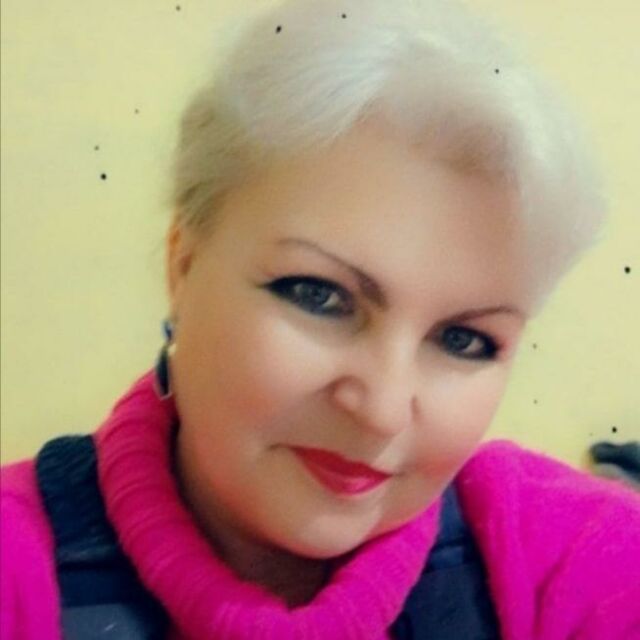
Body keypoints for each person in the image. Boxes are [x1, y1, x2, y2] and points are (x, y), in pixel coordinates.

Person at [2, 0, 639, 638]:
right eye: (320, 296)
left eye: (463, 340)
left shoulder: (583, 559)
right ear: (183, 266)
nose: (382, 410)